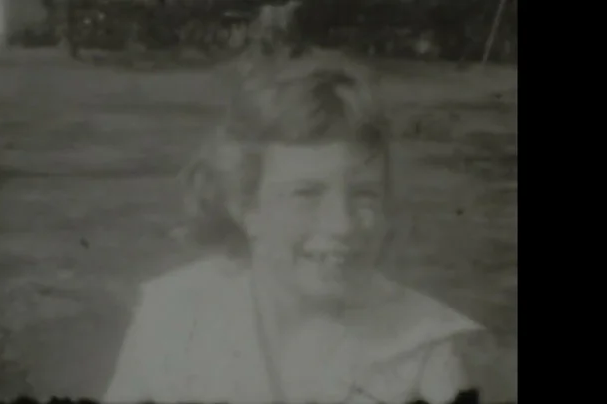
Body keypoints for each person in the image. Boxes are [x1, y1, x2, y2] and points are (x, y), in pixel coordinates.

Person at [102, 46, 490, 404]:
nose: (342, 225)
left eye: (365, 194)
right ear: (246, 206)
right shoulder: (175, 318)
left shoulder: (421, 350)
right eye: (307, 193)